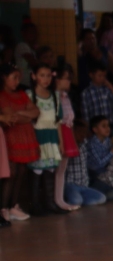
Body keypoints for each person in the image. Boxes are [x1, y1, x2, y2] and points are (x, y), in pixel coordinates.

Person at [0, 65, 39, 223]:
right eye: (14, 77)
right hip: (11, 137)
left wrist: (22, 114)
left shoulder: (22, 94)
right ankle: (3, 208)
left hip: (24, 137)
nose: (17, 81)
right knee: (11, 172)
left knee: (22, 170)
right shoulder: (2, 96)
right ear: (4, 77)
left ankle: (13, 206)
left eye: (18, 77)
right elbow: (10, 118)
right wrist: (25, 115)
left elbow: (35, 112)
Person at [26, 64, 65, 216]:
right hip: (37, 137)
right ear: (34, 76)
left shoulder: (55, 96)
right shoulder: (29, 95)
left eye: (48, 75)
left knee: (50, 169)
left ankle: (49, 202)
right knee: (36, 170)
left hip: (52, 137)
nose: (46, 79)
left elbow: (58, 122)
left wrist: (60, 142)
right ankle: (35, 205)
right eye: (42, 75)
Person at [54, 66, 80, 211]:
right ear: (57, 80)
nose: (70, 82)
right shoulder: (54, 96)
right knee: (56, 168)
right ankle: (56, 200)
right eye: (67, 78)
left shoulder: (65, 96)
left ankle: (60, 199)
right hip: (59, 132)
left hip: (67, 131)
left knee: (62, 168)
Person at [64, 120, 107, 207]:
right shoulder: (68, 146)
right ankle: (74, 200)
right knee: (76, 200)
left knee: (102, 198)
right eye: (79, 132)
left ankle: (78, 201)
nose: (82, 135)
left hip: (84, 185)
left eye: (84, 132)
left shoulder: (84, 144)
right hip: (71, 184)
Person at [86, 116, 113, 181]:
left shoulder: (108, 140)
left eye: (108, 126)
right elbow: (98, 164)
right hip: (95, 171)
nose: (107, 128)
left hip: (106, 168)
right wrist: (112, 152)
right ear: (95, 129)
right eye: (104, 126)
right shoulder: (91, 144)